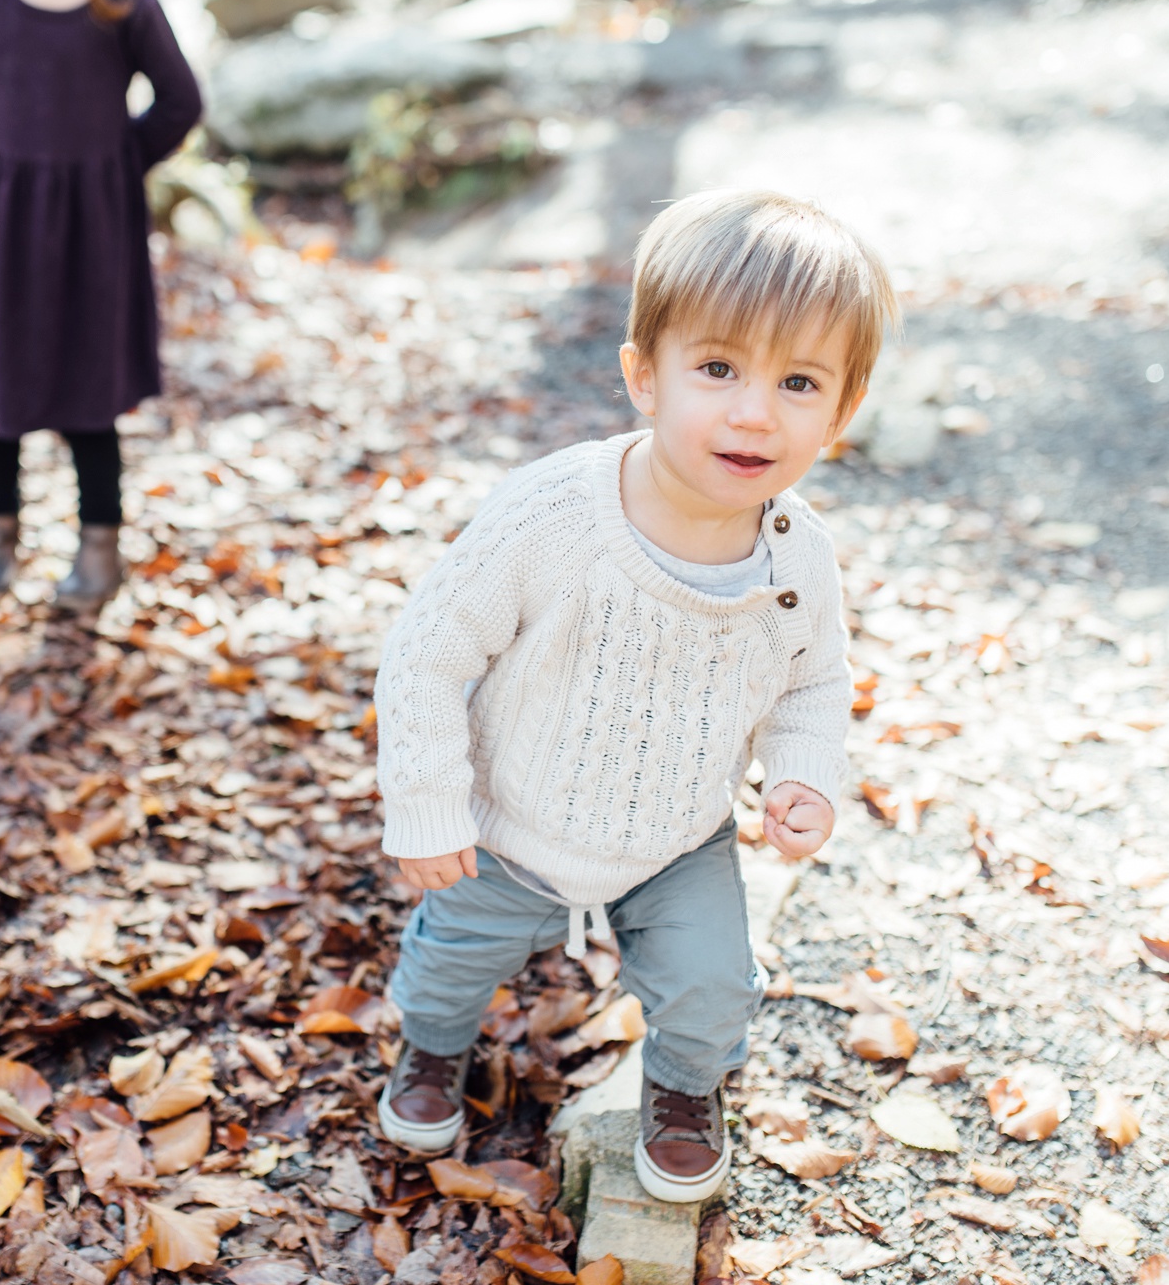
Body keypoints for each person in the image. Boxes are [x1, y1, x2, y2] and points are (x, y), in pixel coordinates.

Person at [372, 191, 897, 1203]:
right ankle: (432, 1051)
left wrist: (801, 774)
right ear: (642, 376)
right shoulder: (553, 516)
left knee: (711, 984)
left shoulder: (797, 558)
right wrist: (428, 801)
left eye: (796, 381)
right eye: (717, 368)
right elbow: (428, 652)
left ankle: (684, 1090)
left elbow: (811, 679)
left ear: (839, 412)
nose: (752, 410)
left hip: (676, 832)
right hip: (508, 819)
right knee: (449, 963)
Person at [0, 0, 202, 609]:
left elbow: (180, 99)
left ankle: (100, 547)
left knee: (88, 387)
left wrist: (113, 164)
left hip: (86, 231)